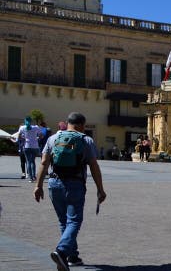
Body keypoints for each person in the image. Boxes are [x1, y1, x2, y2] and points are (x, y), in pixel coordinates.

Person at [34, 111, 106, 271]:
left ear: (68, 123)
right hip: (75, 184)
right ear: (81, 125)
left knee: (64, 221)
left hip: (54, 183)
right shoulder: (85, 140)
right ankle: (61, 251)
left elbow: (44, 163)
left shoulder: (53, 139)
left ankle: (71, 257)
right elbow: (94, 166)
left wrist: (38, 186)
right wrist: (100, 189)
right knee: (74, 221)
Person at [13, 116, 42, 181]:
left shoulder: (22, 127)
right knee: (33, 161)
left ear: (25, 121)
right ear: (31, 121)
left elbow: (19, 136)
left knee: (28, 161)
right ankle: (34, 176)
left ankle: (30, 177)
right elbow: (41, 135)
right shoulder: (36, 127)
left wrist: (24, 138)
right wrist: (37, 138)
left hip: (26, 146)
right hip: (35, 146)